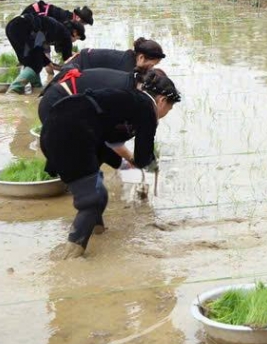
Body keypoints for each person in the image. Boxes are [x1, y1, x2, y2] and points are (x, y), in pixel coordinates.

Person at [41, 68, 180, 258]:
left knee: (94, 183)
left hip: (54, 127)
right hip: (70, 135)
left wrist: (123, 162)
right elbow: (143, 156)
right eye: (169, 109)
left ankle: (98, 232)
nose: (166, 114)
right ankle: (70, 256)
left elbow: (103, 141)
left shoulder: (127, 98)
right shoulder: (147, 108)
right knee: (94, 199)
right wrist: (150, 166)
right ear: (162, 100)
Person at [5, 10, 83, 93]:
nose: (74, 42)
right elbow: (68, 60)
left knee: (31, 60)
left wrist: (48, 63)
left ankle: (36, 87)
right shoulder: (66, 35)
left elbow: (37, 47)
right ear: (74, 32)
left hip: (12, 26)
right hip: (21, 28)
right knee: (36, 63)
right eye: (77, 38)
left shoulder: (57, 27)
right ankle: (14, 90)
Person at [47, 38, 166, 88]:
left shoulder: (130, 59)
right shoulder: (127, 68)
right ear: (141, 58)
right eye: (152, 65)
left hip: (82, 63)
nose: (151, 68)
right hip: (77, 68)